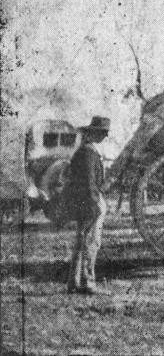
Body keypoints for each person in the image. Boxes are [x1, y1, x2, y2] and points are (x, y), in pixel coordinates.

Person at [63, 116, 111, 295]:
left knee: (82, 242)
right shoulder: (89, 153)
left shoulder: (84, 151)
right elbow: (90, 182)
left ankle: (74, 282)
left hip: (85, 203)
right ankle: (87, 282)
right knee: (91, 243)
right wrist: (96, 203)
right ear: (93, 133)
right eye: (102, 133)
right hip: (91, 203)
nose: (104, 137)